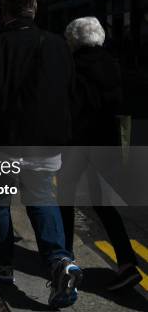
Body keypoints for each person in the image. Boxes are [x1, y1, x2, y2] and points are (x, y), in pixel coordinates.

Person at [0, 0, 82, 308]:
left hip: (2, 142)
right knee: (42, 199)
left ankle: (2, 265)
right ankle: (60, 261)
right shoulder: (58, 45)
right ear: (35, 7)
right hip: (45, 143)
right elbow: (71, 95)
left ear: (4, 10)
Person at [59, 17, 141, 291]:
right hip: (105, 142)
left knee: (64, 201)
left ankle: (64, 258)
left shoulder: (71, 67)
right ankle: (127, 263)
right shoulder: (114, 64)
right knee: (104, 205)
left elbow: (68, 108)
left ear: (73, 39)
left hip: (77, 143)